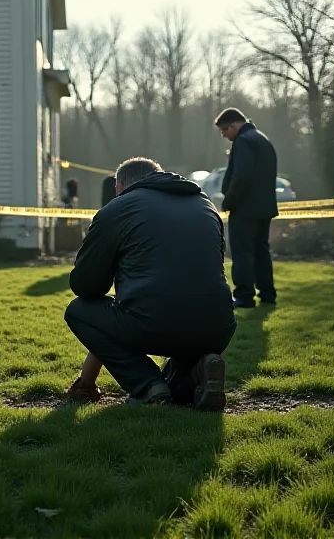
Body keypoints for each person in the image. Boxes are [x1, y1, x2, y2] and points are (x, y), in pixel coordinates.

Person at [63, 157, 237, 410]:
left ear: (120, 186)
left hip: (153, 324)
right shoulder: (206, 206)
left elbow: (86, 286)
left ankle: (146, 385)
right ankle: (201, 368)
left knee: (79, 311)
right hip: (219, 327)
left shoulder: (117, 209)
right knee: (178, 388)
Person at [214, 107, 278, 309]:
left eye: (224, 130)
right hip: (264, 207)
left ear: (233, 125)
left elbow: (242, 176)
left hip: (245, 208)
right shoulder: (262, 138)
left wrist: (228, 202)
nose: (223, 135)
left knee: (242, 252)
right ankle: (267, 294)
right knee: (261, 251)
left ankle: (244, 296)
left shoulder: (243, 142)